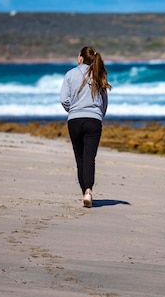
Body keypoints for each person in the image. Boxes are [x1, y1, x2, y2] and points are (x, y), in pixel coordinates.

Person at [60, 46, 112, 208]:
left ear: (81, 58)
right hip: (93, 120)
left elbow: (63, 99)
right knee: (90, 158)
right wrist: (98, 116)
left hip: (74, 120)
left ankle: (85, 192)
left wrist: (73, 110)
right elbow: (104, 103)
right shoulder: (98, 74)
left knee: (80, 158)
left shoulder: (70, 74)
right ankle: (88, 191)